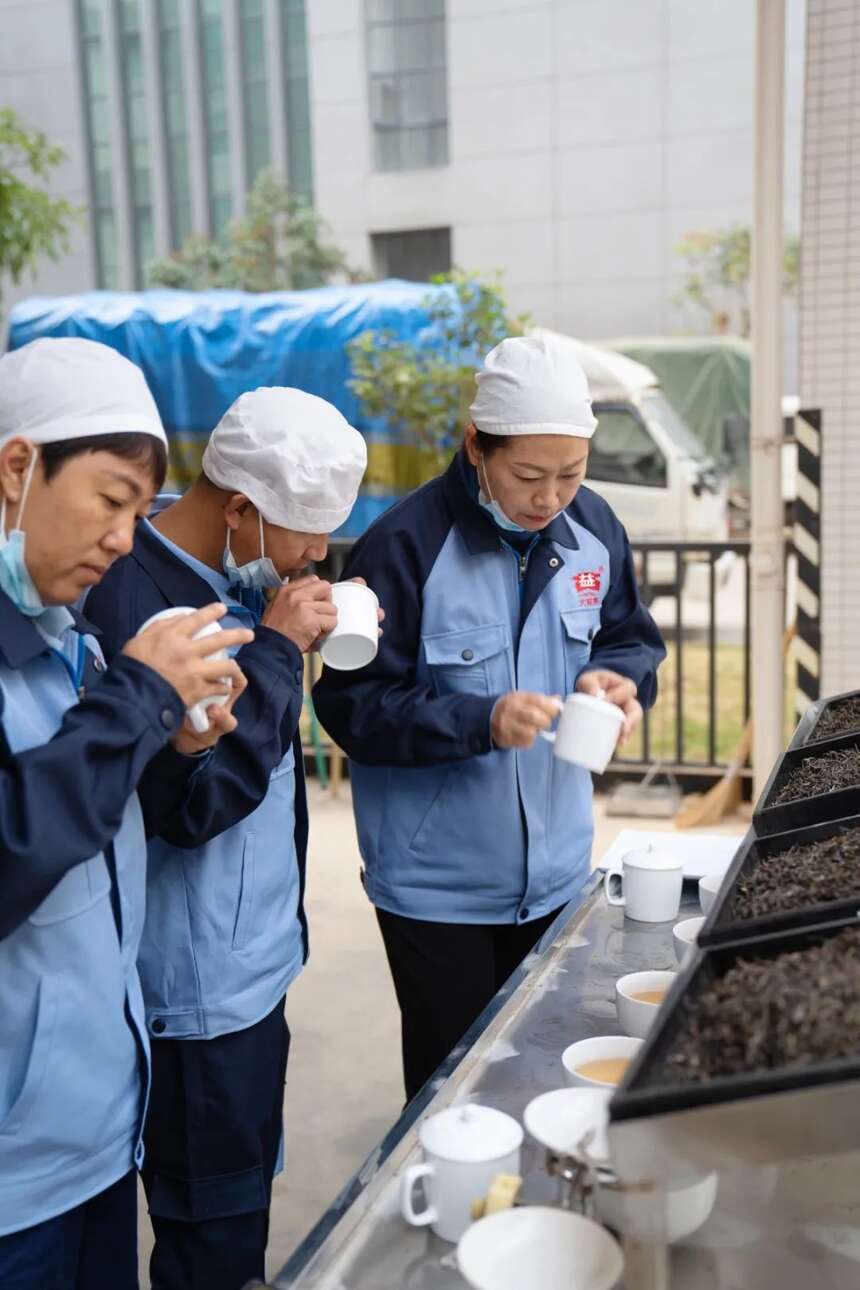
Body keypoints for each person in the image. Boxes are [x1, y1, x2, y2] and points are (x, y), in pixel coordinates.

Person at [314, 334, 667, 1102]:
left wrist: (622, 679)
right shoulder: (403, 546)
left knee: (547, 1079)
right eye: (529, 474)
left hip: (560, 875)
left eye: (570, 474)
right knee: (457, 1099)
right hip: (437, 892)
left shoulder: (594, 529)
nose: (549, 498)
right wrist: (479, 721)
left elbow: (631, 636)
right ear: (477, 447)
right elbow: (352, 704)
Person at [86, 385, 368, 1290]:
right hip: (190, 990)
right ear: (239, 508)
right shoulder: (141, 602)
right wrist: (280, 650)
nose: (316, 554)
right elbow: (192, 802)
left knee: (237, 1200)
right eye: (304, 534)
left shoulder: (237, 574)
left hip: (247, 963)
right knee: (214, 1233)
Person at [0, 337, 252, 1290]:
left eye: (137, 512)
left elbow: (93, 817)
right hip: (14, 1180)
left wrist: (174, 742)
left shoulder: (73, 639)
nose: (122, 538)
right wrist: (139, 702)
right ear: (19, 467)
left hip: (103, 1131)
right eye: (107, 502)